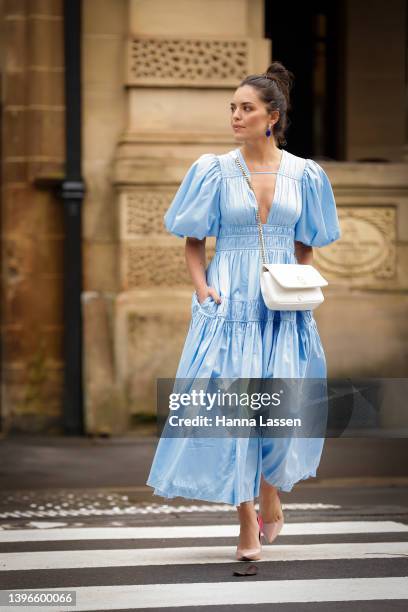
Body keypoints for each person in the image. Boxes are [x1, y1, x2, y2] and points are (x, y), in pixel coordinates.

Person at [146, 61, 342, 561]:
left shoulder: (306, 175)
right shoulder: (212, 170)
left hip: (282, 309)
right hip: (228, 302)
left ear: (270, 117)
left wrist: (300, 287)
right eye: (232, 108)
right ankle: (245, 525)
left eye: (246, 108)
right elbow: (193, 243)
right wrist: (201, 289)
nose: (235, 116)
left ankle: (271, 492)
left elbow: (307, 245)